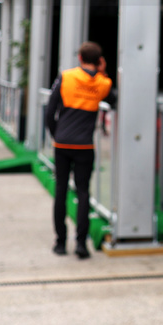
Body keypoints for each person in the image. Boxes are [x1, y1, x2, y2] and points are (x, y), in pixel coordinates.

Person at [45, 41, 115, 259]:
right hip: (85, 145)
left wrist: (57, 135)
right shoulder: (103, 83)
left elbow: (50, 111)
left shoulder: (66, 77)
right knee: (83, 192)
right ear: (99, 61)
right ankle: (81, 245)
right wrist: (103, 72)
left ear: (79, 57)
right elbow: (113, 99)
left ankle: (60, 243)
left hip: (63, 143)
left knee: (61, 192)